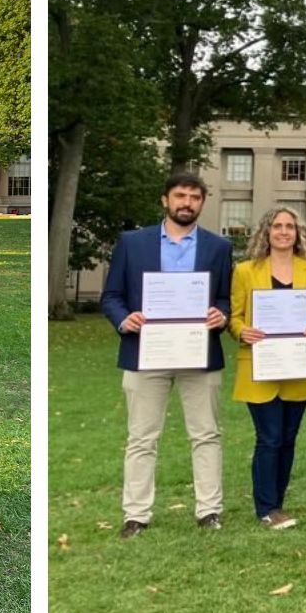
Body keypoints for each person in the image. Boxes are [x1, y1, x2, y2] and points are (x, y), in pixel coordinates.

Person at [101, 174, 233, 538]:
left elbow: (224, 299)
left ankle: (209, 510)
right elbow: (111, 296)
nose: (186, 202)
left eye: (194, 197)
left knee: (206, 434)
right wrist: (123, 319)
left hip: (199, 352)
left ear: (202, 203)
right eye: (180, 195)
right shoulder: (133, 243)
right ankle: (136, 515)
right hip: (146, 352)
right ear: (165, 200)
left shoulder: (218, 248)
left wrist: (221, 316)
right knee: (142, 437)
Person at [229, 207, 306, 529]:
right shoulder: (245, 271)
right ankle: (266, 508)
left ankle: (278, 503)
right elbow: (235, 316)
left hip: (296, 366)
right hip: (259, 365)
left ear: (298, 233)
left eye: (290, 226)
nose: (284, 231)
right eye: (277, 226)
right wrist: (242, 331)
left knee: (288, 438)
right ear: (266, 232)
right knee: (269, 437)